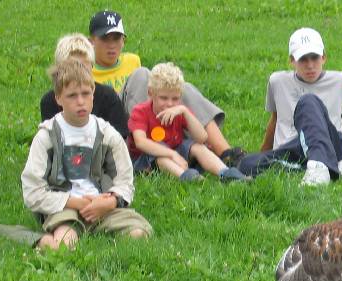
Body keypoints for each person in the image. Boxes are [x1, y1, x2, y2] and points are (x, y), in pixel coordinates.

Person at [88, 10, 247, 167]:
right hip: (121, 122)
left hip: (152, 116)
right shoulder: (87, 68)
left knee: (181, 88)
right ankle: (149, 149)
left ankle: (225, 153)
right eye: (105, 39)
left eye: (116, 38)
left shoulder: (132, 60)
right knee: (142, 74)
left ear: (123, 40)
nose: (111, 45)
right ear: (91, 41)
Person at [22, 59, 152, 250]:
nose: (80, 102)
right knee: (65, 245)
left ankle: (106, 244)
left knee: (139, 235)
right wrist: (75, 202)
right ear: (58, 98)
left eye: (85, 93)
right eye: (72, 96)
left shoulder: (107, 134)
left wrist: (110, 202)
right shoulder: (47, 137)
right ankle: (44, 241)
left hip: (102, 205)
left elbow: (125, 181)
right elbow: (33, 192)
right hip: (64, 207)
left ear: (93, 93)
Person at [237, 27, 342, 185]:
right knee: (246, 164)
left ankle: (320, 164)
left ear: (324, 58)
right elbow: (276, 119)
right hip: (293, 149)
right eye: (303, 59)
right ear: (292, 60)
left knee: (308, 102)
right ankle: (320, 168)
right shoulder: (277, 82)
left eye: (315, 58)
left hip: (330, 144)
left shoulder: (339, 81)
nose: (310, 65)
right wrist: (263, 154)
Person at [128, 63, 247, 182]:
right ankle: (188, 178)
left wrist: (185, 112)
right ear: (150, 93)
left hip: (176, 152)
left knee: (198, 147)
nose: (170, 104)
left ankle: (225, 173)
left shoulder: (179, 110)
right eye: (163, 98)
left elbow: (202, 138)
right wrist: (172, 154)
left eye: (175, 98)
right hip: (146, 159)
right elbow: (141, 142)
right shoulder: (140, 111)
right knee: (162, 157)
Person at [40, 33, 128, 138]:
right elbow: (52, 138)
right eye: (72, 69)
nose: (79, 73)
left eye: (84, 68)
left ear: (92, 66)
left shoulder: (108, 96)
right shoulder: (49, 100)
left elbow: (120, 136)